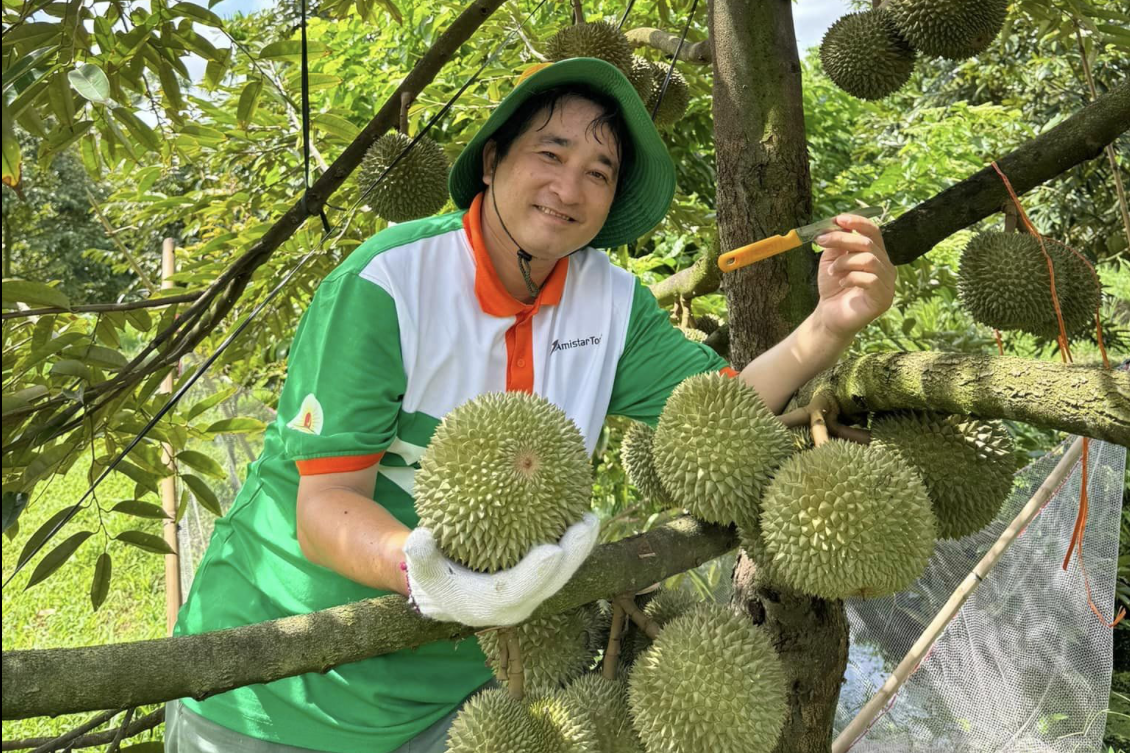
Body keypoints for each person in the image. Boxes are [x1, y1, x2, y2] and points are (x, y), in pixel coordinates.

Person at [165, 57, 896, 752]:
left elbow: (721, 415)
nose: (569, 188)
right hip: (272, 691)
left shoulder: (608, 303)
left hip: (460, 704)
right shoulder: (387, 285)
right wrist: (425, 570)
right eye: (550, 154)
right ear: (492, 162)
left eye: (598, 172)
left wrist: (834, 320)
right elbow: (326, 506)